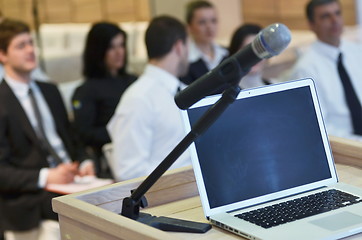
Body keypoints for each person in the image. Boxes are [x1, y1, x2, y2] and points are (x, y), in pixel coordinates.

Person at [0, 19, 95, 240]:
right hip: (32, 201)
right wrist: (47, 176)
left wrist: (84, 162)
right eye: (21, 45)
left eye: (31, 43)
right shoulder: (2, 102)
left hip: (73, 184)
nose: (31, 50)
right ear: (3, 55)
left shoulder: (50, 91)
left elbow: (72, 139)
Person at [107, 16, 191, 182]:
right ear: (179, 47)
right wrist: (184, 179)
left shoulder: (186, 90)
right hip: (167, 200)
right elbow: (128, 172)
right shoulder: (138, 98)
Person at [288, 0, 362, 141]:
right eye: (325, 16)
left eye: (337, 13)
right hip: (344, 148)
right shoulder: (305, 69)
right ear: (311, 25)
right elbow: (319, 128)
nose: (334, 20)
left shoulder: (358, 52)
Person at [71, 22, 137, 178]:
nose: (119, 52)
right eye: (111, 47)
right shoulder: (86, 91)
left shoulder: (134, 81)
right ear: (98, 51)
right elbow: (84, 133)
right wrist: (121, 131)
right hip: (112, 157)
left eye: (121, 45)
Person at [181, 0, 228, 85]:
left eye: (213, 21)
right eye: (202, 22)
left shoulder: (227, 53)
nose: (209, 27)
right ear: (189, 27)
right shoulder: (184, 62)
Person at [228, 23, 272, 89]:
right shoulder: (224, 94)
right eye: (248, 50)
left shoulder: (274, 86)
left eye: (260, 49)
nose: (255, 56)